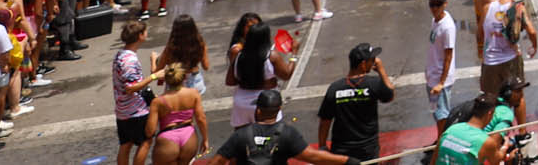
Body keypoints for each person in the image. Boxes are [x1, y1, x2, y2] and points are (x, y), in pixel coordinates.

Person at [214, 89, 354, 165]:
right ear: (279, 109)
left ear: (258, 110)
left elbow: (217, 161)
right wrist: (347, 161)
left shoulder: (241, 134)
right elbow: (314, 157)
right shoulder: (288, 134)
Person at [317, 44, 394, 164]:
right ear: (363, 64)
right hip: (367, 149)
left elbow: (325, 121)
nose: (374, 62)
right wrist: (381, 70)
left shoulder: (335, 88)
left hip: (341, 151)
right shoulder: (373, 84)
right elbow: (390, 95)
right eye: (372, 60)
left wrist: (322, 146)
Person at [479, 0, 537, 115]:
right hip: (511, 59)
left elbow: (479, 32)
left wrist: (481, 49)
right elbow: (531, 30)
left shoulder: (488, 8)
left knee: (489, 99)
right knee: (517, 97)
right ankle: (522, 133)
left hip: (490, 60)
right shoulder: (518, 8)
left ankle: (493, 131)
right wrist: (535, 45)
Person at [145, 59, 208, 165]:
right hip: (189, 138)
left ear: (166, 79)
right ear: (184, 77)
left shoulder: (158, 101)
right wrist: (205, 139)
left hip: (167, 140)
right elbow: (201, 118)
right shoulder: (194, 94)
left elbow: (150, 131)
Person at [114, 18, 152, 165]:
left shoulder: (120, 55)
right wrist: (154, 76)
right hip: (135, 110)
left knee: (126, 144)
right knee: (146, 141)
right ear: (140, 36)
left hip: (122, 110)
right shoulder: (130, 60)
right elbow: (131, 87)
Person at [434, 93, 509, 165]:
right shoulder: (486, 141)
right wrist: (505, 145)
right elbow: (496, 160)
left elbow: (433, 161)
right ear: (490, 113)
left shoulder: (450, 130)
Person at [426, 0, 459, 135]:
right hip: (433, 74)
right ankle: (440, 138)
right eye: (432, 5)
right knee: (436, 112)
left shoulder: (448, 27)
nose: (434, 8)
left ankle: (442, 141)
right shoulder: (435, 20)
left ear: (445, 4)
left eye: (438, 5)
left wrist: (441, 82)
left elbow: (448, 56)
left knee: (442, 114)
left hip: (441, 78)